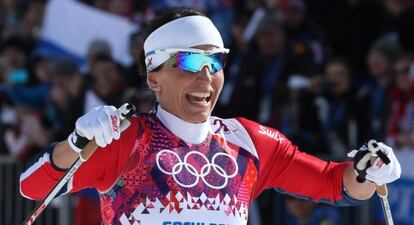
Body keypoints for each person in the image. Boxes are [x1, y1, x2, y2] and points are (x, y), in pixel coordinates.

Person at [19, 8, 401, 225]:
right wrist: (75, 144)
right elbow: (32, 188)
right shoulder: (125, 139)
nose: (205, 76)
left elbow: (337, 184)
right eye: (189, 60)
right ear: (154, 76)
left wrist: (370, 168)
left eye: (215, 61)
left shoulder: (248, 142)